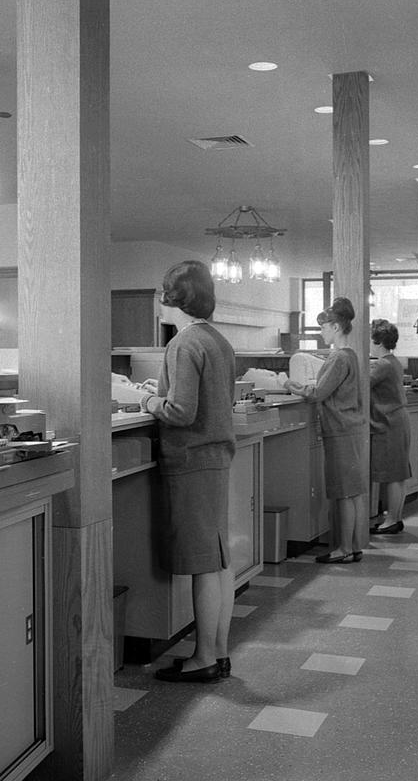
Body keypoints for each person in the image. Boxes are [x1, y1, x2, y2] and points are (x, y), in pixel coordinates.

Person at [141, 260, 236, 683]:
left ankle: (203, 658)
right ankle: (218, 651)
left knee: (201, 564)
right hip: (215, 459)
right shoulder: (219, 340)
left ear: (172, 300)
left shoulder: (183, 343)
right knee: (217, 561)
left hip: (191, 462)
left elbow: (181, 411)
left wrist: (149, 403)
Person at [284, 297, 367, 563]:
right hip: (351, 428)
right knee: (353, 492)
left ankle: (343, 549)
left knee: (343, 493)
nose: (321, 331)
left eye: (323, 326)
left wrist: (290, 385)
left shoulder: (338, 358)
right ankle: (353, 546)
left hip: (339, 430)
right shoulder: (351, 356)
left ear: (336, 327)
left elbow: (318, 392)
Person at [368, 319, 411, 535]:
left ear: (376, 340)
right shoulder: (393, 361)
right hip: (397, 420)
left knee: (393, 474)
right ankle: (395, 517)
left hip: (389, 423)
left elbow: (360, 384)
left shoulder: (382, 365)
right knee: (398, 474)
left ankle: (392, 520)